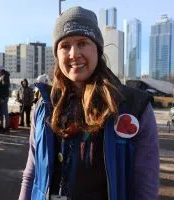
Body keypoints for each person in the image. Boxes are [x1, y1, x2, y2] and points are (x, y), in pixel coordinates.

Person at [19, 6, 159, 200]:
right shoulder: (44, 105)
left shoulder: (135, 107)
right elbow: (31, 173)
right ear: (57, 53)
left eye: (82, 43)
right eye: (65, 45)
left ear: (98, 49)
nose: (73, 53)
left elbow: (145, 186)